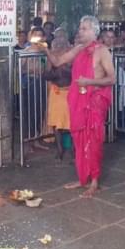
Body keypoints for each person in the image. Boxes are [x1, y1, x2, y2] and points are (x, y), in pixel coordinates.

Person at [46, 16, 116, 198]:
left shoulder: (103, 51)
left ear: (94, 31)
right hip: (78, 101)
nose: (80, 31)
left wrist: (89, 81)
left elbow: (111, 78)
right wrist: (45, 48)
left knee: (93, 141)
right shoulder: (78, 49)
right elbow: (57, 62)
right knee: (79, 140)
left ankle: (94, 182)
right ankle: (82, 178)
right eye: (80, 28)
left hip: (94, 102)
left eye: (84, 28)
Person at [44, 32, 72, 160]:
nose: (60, 43)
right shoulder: (52, 56)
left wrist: (62, 68)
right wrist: (56, 70)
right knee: (56, 122)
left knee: (72, 121)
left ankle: (74, 149)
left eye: (62, 40)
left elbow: (75, 74)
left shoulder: (72, 55)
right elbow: (46, 75)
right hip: (56, 92)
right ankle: (60, 149)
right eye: (57, 40)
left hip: (70, 92)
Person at [21, 27, 49, 151]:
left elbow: (45, 67)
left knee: (39, 111)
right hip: (31, 82)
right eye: (35, 35)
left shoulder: (43, 51)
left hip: (41, 82)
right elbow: (21, 69)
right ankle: (28, 142)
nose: (38, 38)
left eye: (40, 35)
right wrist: (32, 71)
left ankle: (37, 139)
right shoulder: (26, 51)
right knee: (30, 113)